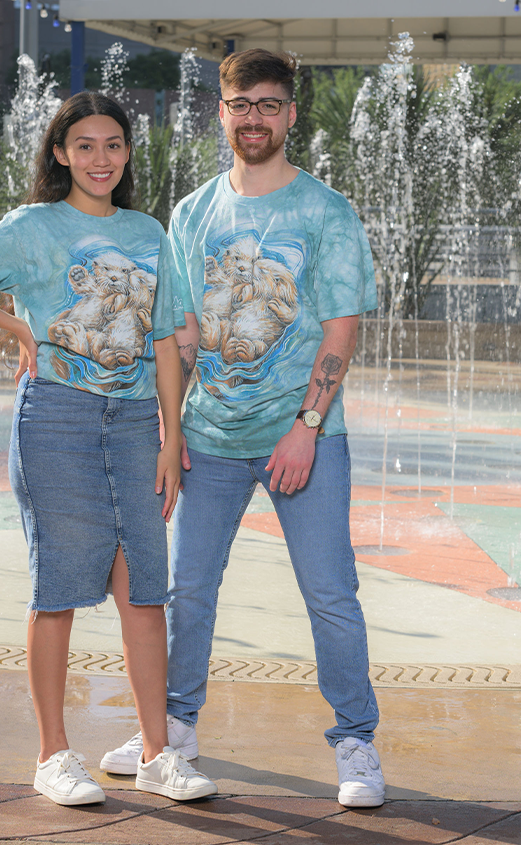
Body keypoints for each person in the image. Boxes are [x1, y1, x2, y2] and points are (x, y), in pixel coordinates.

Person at [101, 49, 385, 808]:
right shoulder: (193, 212)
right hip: (211, 438)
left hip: (304, 437)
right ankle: (175, 730)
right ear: (221, 114)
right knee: (186, 592)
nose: (254, 117)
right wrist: (170, 426)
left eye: (268, 103)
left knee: (330, 593)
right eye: (241, 104)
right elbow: (183, 333)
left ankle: (356, 742)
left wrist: (307, 424)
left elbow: (341, 328)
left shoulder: (324, 211)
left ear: (291, 115)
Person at [0, 92, 217, 806]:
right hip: (54, 418)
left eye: (112, 144)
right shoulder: (32, 226)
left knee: (146, 590)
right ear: (60, 153)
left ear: (126, 154)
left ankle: (156, 753)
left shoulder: (150, 232)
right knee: (55, 588)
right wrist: (17, 327)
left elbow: (167, 344)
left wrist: (172, 439)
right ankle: (53, 753)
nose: (100, 158)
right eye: (83, 145)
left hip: (135, 422)